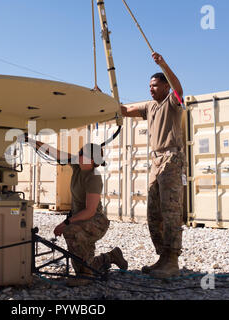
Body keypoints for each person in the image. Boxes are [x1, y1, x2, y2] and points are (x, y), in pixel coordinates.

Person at [26, 137, 128, 286]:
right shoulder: (77, 165)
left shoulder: (94, 177)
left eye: (84, 155)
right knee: (77, 245)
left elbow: (89, 211)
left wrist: (65, 222)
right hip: (82, 218)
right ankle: (110, 257)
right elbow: (54, 152)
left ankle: (85, 275)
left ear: (93, 160)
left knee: (72, 230)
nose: (79, 156)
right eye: (80, 153)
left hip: (96, 220)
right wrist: (32, 141)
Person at [120, 52, 185, 279]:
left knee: (171, 212)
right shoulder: (150, 107)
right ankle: (162, 256)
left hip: (171, 159)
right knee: (153, 214)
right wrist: (105, 101)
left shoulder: (172, 101)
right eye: (149, 85)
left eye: (155, 85)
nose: (151, 89)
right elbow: (125, 111)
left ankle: (172, 261)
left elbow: (179, 87)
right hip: (156, 161)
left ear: (165, 86)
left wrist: (164, 64)